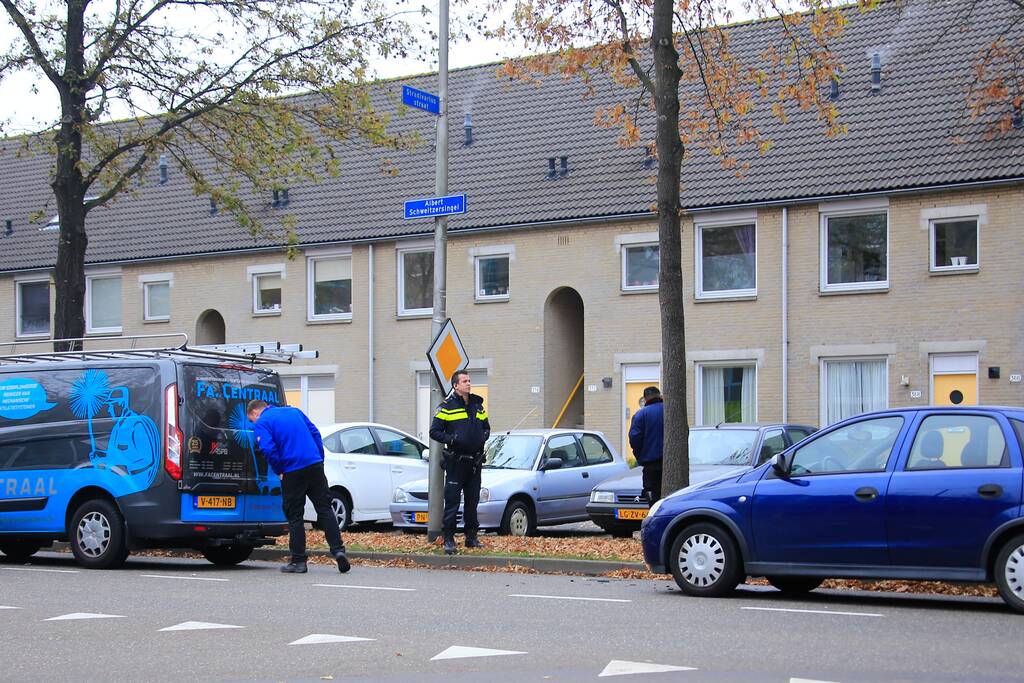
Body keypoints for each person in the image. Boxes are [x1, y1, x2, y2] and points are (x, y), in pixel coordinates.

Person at [247, 399, 350, 574]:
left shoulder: (262, 423)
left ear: (256, 412)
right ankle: (338, 551)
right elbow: (315, 434)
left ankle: (298, 561)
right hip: (314, 465)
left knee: (295, 516)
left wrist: (279, 470)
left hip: (292, 470)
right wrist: (319, 460)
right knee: (325, 509)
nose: (253, 423)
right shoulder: (295, 411)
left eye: (251, 420)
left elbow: (267, 448)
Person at [429, 370, 490, 555]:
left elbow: (486, 427)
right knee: (452, 503)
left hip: (474, 463)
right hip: (456, 463)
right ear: (456, 386)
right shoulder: (447, 407)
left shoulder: (478, 406)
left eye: (469, 380)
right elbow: (434, 431)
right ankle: (449, 539)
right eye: (464, 381)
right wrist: (453, 439)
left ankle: (471, 538)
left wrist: (482, 438)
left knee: (472, 502)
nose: (468, 384)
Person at [629, 386, 664, 503]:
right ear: (659, 396)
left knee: (653, 498)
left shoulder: (640, 415)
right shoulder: (671, 411)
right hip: (669, 464)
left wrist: (640, 456)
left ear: (645, 399)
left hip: (650, 465)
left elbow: (634, 439)